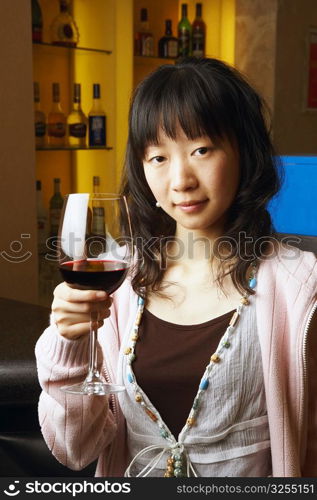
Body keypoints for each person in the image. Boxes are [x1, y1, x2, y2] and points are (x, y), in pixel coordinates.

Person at [35, 57, 317, 477]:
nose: (180, 179)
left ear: (244, 151)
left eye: (201, 149)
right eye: (158, 157)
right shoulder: (121, 282)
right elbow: (74, 450)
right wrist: (69, 342)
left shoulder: (301, 284)